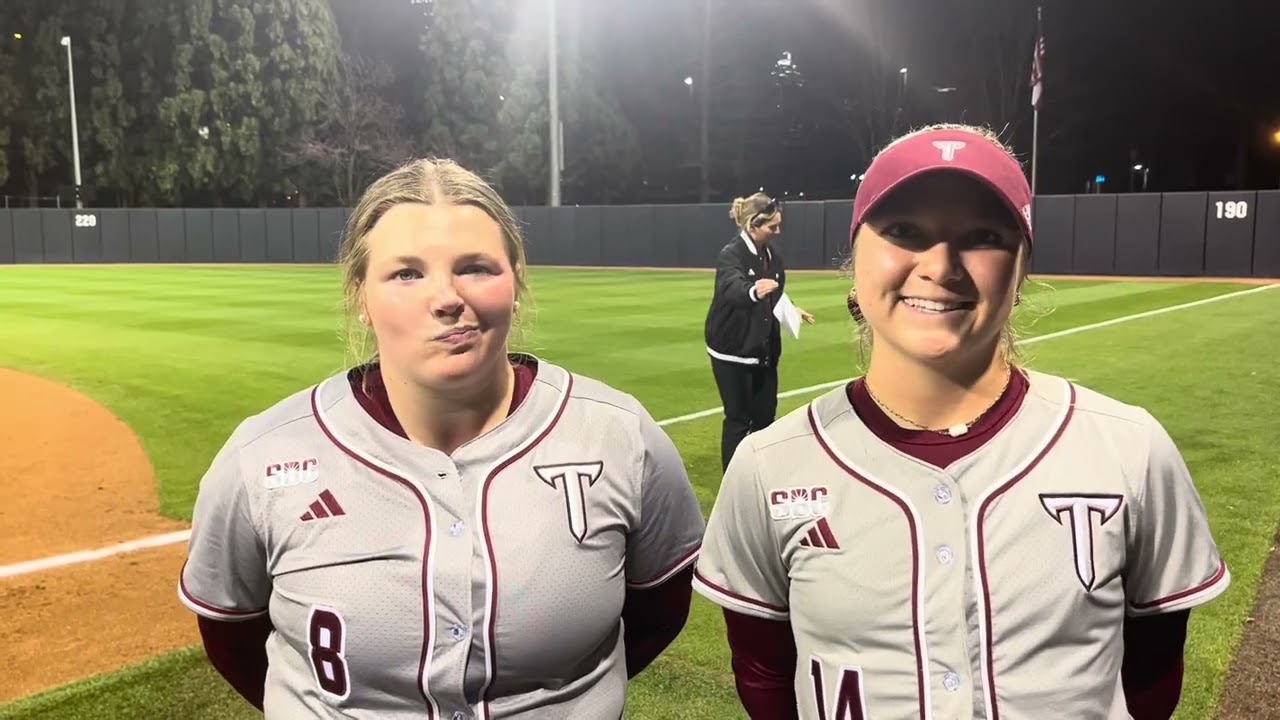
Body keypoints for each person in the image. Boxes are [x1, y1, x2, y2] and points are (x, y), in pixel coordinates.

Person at [691, 124, 1230, 719]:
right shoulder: (770, 464)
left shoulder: (1129, 448)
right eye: (903, 231)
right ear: (854, 260)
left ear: (1021, 271)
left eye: (982, 236)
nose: (940, 265)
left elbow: (1152, 676)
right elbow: (765, 675)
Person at [177, 158, 706, 718]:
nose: (447, 296)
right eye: (406, 273)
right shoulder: (263, 455)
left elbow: (659, 613)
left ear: (516, 281)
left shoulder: (619, 433)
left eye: (476, 267)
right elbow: (232, 637)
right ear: (360, 295)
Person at [704, 192, 815, 471]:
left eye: (779, 225)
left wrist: (791, 309)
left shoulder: (772, 256)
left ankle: (762, 472)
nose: (778, 232)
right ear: (753, 225)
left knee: (766, 416)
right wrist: (753, 290)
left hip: (764, 350)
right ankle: (733, 479)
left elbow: (775, 293)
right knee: (738, 419)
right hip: (733, 352)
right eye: (772, 227)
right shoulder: (731, 255)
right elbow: (732, 288)